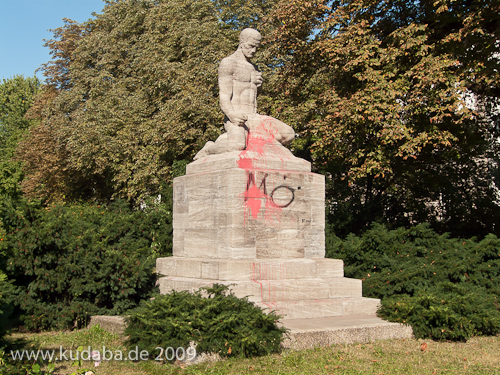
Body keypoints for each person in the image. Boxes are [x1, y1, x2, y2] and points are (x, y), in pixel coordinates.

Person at [194, 28, 294, 160]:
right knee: (237, 146)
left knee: (289, 134)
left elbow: (253, 97)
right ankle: (209, 149)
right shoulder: (228, 63)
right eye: (250, 46)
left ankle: (225, 138)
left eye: (256, 47)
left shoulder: (254, 67)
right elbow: (224, 96)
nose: (253, 51)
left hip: (254, 117)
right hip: (236, 117)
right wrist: (232, 115)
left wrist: (259, 85)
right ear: (242, 42)